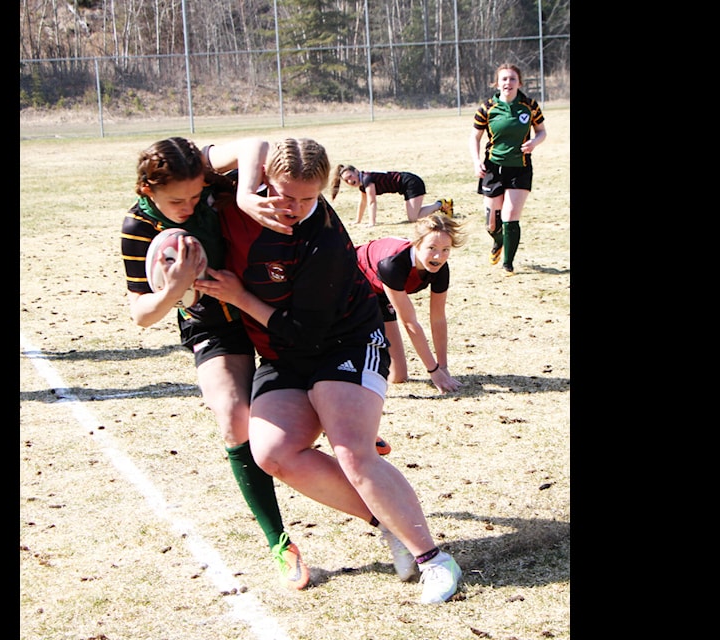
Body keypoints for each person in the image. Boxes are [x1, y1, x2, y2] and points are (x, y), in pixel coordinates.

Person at [196, 137, 462, 604]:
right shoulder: (241, 188)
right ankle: (389, 524)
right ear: (261, 179)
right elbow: (199, 156)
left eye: (308, 197)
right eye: (284, 194)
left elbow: (303, 331)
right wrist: (241, 193)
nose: (295, 206)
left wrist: (237, 297)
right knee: (273, 451)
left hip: (345, 339)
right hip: (282, 353)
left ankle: (434, 560)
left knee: (353, 451)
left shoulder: (321, 240)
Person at [119, 137, 312, 590]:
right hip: (211, 323)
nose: (187, 206)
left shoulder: (204, 169)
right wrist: (174, 288)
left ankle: (346, 427)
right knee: (233, 417)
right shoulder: (137, 224)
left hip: (264, 297)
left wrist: (241, 193)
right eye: (175, 200)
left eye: (194, 195)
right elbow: (141, 314)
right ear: (147, 189)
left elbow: (257, 144)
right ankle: (279, 541)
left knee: (319, 370)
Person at [355, 213, 467, 392]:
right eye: (432, 247)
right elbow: (409, 322)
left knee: (398, 376)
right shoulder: (393, 265)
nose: (438, 256)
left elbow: (437, 318)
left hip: (380, 291)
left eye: (446, 249)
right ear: (417, 244)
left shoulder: (440, 268)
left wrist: (443, 367)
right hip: (353, 282)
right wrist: (433, 370)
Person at [469, 63, 547, 276]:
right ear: (497, 83)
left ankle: (508, 263)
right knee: (491, 224)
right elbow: (474, 136)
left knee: (510, 215)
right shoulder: (487, 108)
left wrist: (534, 143)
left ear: (519, 82)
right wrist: (477, 161)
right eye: (504, 79)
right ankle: (498, 241)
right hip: (493, 168)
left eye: (512, 79)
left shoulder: (529, 105)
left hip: (520, 169)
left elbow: (541, 131)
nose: (508, 83)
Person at [331, 165, 453, 226]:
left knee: (413, 218)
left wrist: (372, 223)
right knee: (413, 216)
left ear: (356, 172)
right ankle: (441, 205)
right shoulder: (363, 183)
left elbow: (371, 202)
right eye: (346, 181)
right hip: (405, 187)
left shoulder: (367, 179)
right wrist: (357, 221)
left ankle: (441, 204)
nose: (350, 181)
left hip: (411, 182)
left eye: (350, 177)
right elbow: (363, 202)